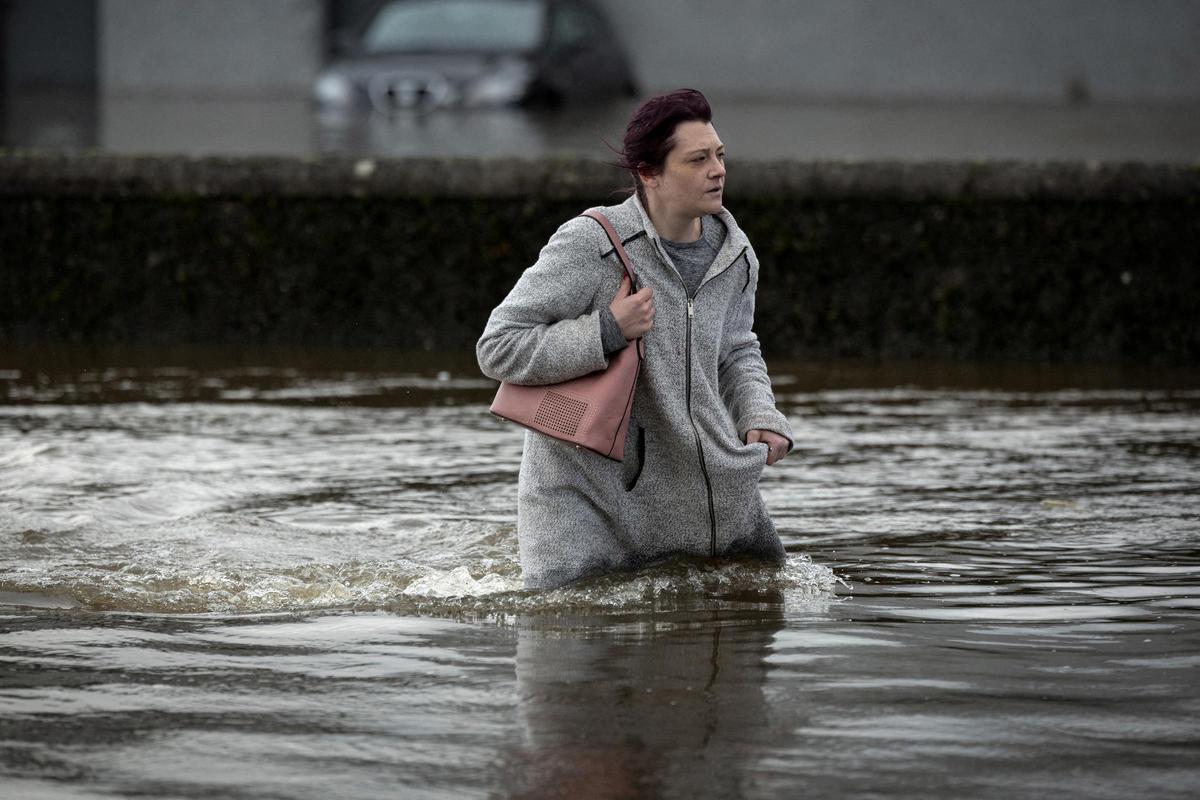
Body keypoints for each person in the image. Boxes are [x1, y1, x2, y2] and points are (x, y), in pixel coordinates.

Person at [477, 88, 794, 589]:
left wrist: (759, 414)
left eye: (719, 155)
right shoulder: (592, 243)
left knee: (757, 618)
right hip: (585, 504)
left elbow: (736, 348)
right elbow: (498, 347)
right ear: (649, 172)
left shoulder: (736, 253)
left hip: (705, 497)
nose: (718, 170)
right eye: (697, 159)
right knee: (580, 646)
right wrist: (605, 330)